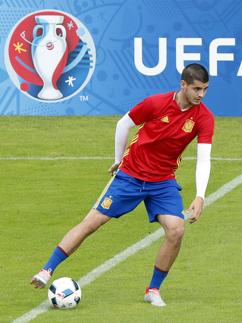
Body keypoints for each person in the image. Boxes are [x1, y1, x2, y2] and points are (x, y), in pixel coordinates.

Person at [30, 63, 214, 307]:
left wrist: (200, 195)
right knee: (92, 223)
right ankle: (46, 270)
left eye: (205, 89)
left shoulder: (204, 117)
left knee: (176, 229)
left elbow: (204, 158)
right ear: (183, 85)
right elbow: (123, 124)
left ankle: (153, 289)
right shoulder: (156, 103)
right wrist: (118, 160)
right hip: (131, 176)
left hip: (162, 182)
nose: (201, 95)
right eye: (197, 89)